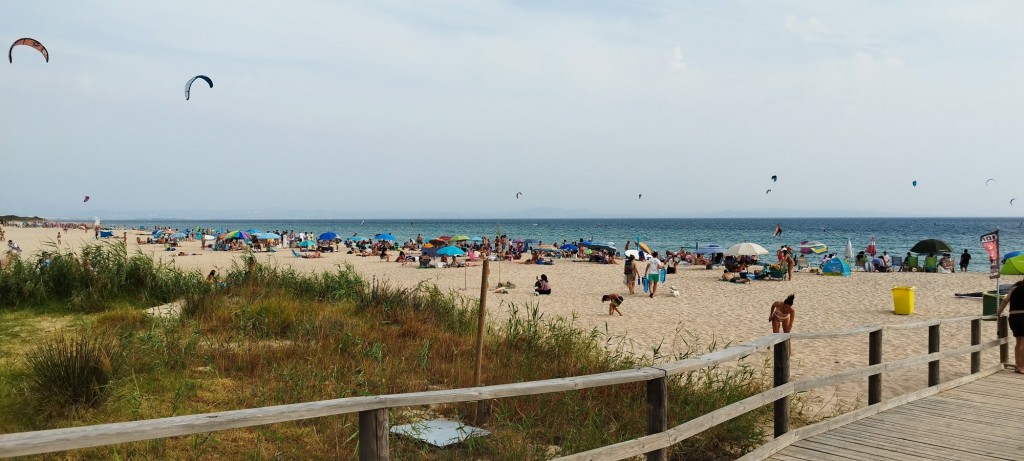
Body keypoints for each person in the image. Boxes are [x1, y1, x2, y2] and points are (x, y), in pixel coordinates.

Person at [996, 280, 1024, 374]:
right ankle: (1022, 367)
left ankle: (1018, 366)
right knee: (1022, 343)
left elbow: (1005, 301)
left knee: (1018, 342)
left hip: (1013, 317)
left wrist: (998, 313)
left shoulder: (1013, 289)